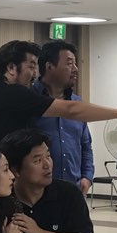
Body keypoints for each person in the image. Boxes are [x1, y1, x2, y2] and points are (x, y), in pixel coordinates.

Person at [0, 40, 117, 152]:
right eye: (31, 67)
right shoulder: (14, 94)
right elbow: (71, 110)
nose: (35, 74)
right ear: (11, 68)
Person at [32, 40, 94, 194]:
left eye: (75, 64)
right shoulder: (30, 101)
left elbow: (85, 146)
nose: (75, 69)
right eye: (69, 63)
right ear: (49, 66)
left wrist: (87, 177)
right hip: (37, 191)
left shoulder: (77, 104)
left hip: (74, 188)